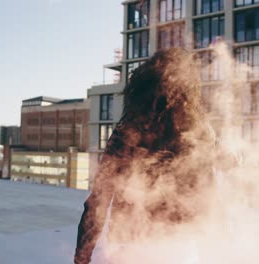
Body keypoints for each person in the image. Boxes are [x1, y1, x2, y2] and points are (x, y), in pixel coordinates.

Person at [74, 48, 216, 264]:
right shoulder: (200, 133)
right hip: (181, 247)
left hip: (131, 246)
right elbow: (207, 199)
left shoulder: (128, 134)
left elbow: (97, 203)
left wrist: (81, 259)